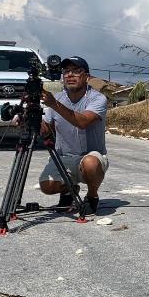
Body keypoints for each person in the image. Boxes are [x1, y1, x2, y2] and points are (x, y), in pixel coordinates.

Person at [37, 56, 109, 216]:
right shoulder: (57, 98)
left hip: (91, 156)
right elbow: (46, 128)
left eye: (76, 71)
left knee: (90, 163)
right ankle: (70, 190)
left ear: (87, 77)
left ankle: (92, 196)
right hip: (64, 157)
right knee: (47, 186)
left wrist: (54, 104)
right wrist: (30, 118)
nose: (70, 75)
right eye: (66, 71)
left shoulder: (97, 98)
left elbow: (82, 121)